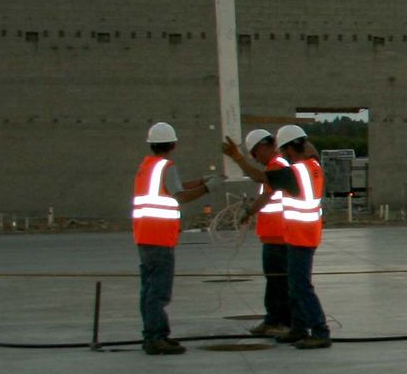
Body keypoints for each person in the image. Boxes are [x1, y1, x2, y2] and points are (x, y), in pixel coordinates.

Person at [223, 125, 331, 350]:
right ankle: (299, 329)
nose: (284, 155)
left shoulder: (295, 172)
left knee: (301, 286)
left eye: (285, 150)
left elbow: (259, 177)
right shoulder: (313, 166)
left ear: (292, 147)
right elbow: (310, 149)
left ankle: (320, 330)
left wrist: (238, 159)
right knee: (294, 285)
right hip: (302, 235)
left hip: (300, 236)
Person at [133, 121, 223, 355]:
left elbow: (174, 187)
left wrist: (201, 181)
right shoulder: (166, 166)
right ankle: (155, 338)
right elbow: (180, 195)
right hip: (160, 237)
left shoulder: (148, 166)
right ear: (173, 144)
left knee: (149, 290)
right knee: (159, 292)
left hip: (145, 235)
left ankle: (154, 334)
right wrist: (207, 189)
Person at [240, 129, 291, 336]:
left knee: (277, 282)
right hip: (276, 234)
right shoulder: (275, 166)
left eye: (254, 154)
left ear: (262, 147)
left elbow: (267, 197)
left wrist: (249, 211)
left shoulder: (277, 166)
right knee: (277, 282)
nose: (256, 159)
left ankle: (278, 321)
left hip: (279, 235)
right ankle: (278, 320)